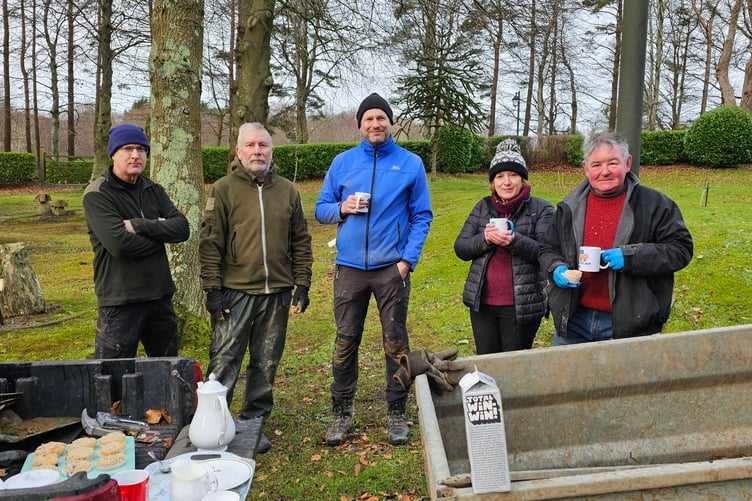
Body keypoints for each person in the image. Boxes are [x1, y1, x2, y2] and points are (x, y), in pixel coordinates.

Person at [315, 93, 433, 447]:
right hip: (349, 268)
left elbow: (422, 216)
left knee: (395, 341)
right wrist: (342, 207)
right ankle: (341, 413)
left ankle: (397, 412)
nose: (375, 124)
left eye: (381, 118)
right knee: (345, 340)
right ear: (360, 125)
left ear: (390, 123)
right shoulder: (343, 163)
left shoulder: (410, 164)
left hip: (390, 269)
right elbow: (321, 209)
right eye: (369, 119)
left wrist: (406, 261)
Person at [199, 122, 313, 454]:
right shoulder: (223, 190)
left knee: (265, 364)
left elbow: (301, 242)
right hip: (234, 293)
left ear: (271, 151)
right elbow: (210, 245)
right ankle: (214, 427)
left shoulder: (288, 191)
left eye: (263, 145)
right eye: (250, 145)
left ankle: (252, 423)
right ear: (238, 151)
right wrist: (212, 290)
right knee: (223, 363)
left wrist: (302, 284)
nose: (257, 151)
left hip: (276, 294)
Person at [539, 132, 693, 345]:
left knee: (625, 380)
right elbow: (547, 248)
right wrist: (556, 268)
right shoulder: (569, 206)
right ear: (585, 168)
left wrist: (632, 257)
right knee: (566, 378)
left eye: (612, 163)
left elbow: (681, 250)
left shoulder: (655, 204)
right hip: (575, 320)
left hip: (630, 323)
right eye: (596, 165)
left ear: (627, 163)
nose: (604, 172)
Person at [83, 124, 189, 359]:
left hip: (159, 296)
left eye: (141, 149)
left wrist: (139, 225)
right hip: (120, 299)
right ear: (113, 154)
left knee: (166, 368)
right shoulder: (98, 194)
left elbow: (182, 229)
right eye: (128, 149)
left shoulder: (153, 189)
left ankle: (161, 399)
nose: (136, 155)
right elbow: (119, 245)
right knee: (113, 375)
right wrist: (161, 233)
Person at [454, 139, 553, 354]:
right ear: (492, 182)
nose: (506, 182)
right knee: (487, 362)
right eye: (499, 176)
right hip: (483, 304)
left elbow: (548, 253)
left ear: (522, 179)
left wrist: (514, 241)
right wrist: (485, 240)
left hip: (521, 306)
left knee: (513, 366)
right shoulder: (483, 207)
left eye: (513, 175)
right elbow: (461, 248)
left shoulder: (541, 208)